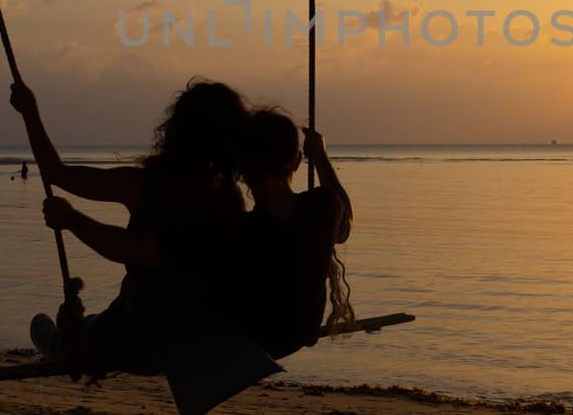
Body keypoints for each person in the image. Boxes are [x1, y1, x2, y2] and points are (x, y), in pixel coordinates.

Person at [37, 107, 353, 366]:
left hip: (245, 341)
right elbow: (344, 219)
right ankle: (86, 326)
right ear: (296, 161)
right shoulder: (322, 208)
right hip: (297, 333)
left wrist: (72, 219)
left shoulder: (230, 232)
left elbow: (131, 249)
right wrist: (321, 157)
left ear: (241, 167)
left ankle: (63, 341)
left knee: (132, 310)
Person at [11, 78, 249, 375]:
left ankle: (61, 341)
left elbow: (57, 174)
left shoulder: (144, 185)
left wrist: (30, 113)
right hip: (205, 328)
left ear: (176, 132)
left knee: (44, 327)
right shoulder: (229, 197)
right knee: (88, 323)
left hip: (144, 334)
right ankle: (75, 330)